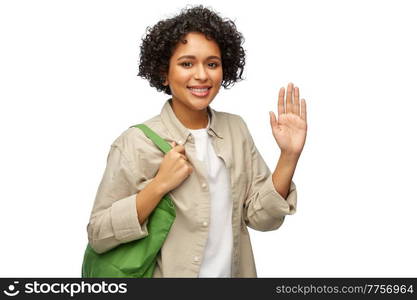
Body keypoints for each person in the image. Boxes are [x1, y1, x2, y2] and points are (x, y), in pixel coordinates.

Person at [86, 5, 307, 278]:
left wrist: (288, 156)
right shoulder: (135, 143)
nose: (202, 75)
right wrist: (158, 186)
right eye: (187, 63)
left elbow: (262, 219)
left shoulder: (236, 129)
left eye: (212, 64)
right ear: (164, 73)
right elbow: (98, 233)